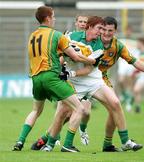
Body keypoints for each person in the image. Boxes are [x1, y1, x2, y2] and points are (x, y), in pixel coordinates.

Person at [31, 17, 144, 153]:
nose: (105, 33)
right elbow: (61, 52)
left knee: (115, 104)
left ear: (115, 31)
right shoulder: (76, 36)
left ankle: (121, 142)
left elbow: (133, 62)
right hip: (74, 79)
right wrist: (60, 69)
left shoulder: (112, 46)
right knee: (64, 113)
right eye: (103, 29)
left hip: (95, 78)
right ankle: (47, 142)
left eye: (109, 30)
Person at [12, 6, 97, 151]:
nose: (55, 19)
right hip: (51, 77)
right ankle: (67, 145)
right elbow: (75, 56)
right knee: (79, 108)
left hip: (35, 78)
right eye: (53, 16)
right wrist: (92, 61)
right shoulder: (57, 35)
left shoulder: (32, 35)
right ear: (48, 18)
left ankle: (20, 142)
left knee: (36, 111)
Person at [116, 25, 140, 112]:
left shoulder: (135, 41)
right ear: (125, 31)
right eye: (127, 31)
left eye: (130, 31)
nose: (128, 32)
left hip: (131, 64)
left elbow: (138, 52)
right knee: (121, 81)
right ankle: (125, 96)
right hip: (122, 63)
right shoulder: (121, 40)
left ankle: (129, 103)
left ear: (131, 32)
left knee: (130, 84)